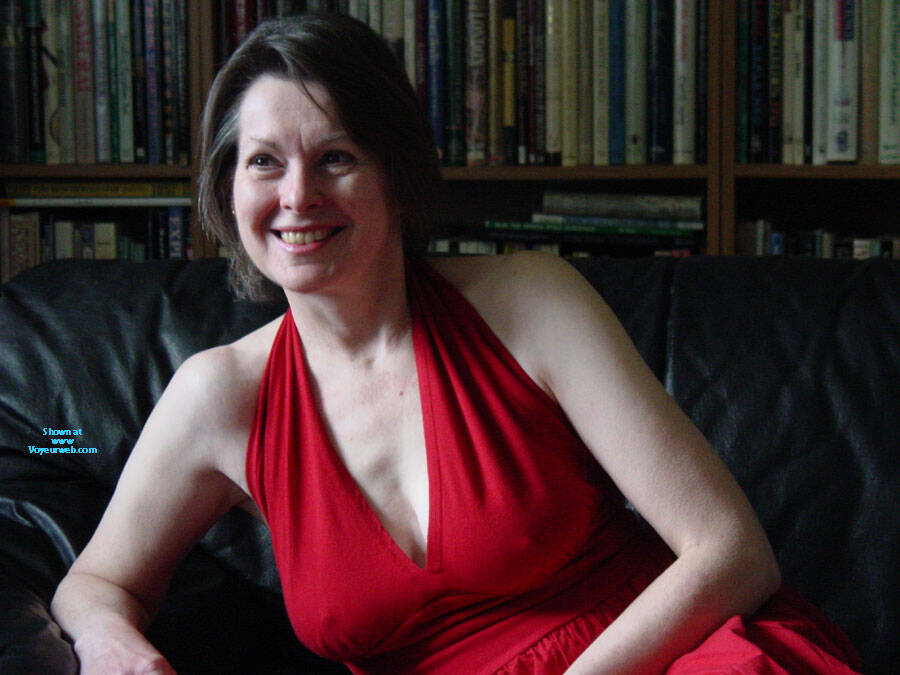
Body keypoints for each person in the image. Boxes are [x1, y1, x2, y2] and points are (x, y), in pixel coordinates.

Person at [51, 13, 861, 674]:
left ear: (395, 176)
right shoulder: (218, 395)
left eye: (336, 158)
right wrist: (109, 639)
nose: (298, 195)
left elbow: (732, 551)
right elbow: (94, 581)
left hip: (662, 657)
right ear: (229, 190)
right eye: (264, 162)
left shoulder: (529, 299)